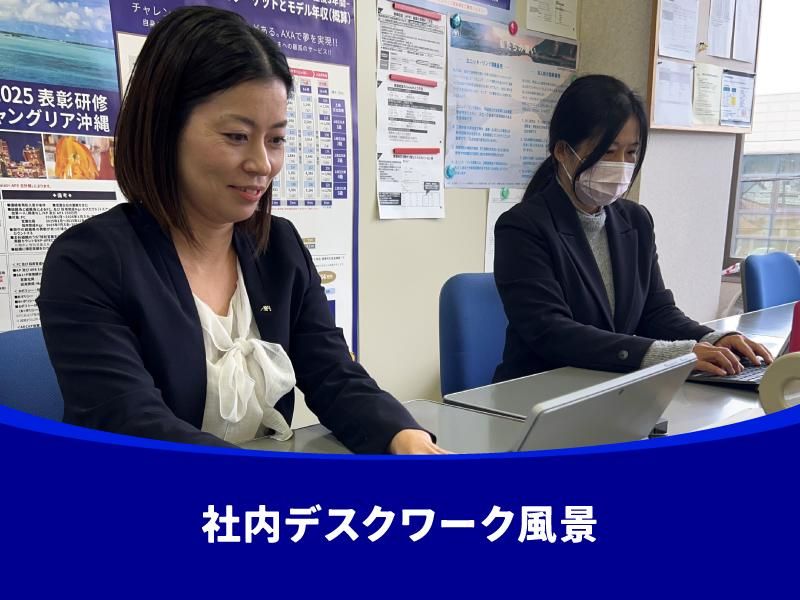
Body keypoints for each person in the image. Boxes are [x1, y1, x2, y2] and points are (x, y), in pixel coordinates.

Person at [37, 6, 445, 454]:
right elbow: (134, 423)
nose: (262, 164)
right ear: (164, 130)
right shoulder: (89, 261)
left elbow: (334, 373)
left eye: (276, 139)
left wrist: (404, 437)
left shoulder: (280, 247)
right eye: (236, 136)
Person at [493, 74, 772, 383]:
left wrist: (713, 339)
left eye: (631, 152)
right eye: (607, 151)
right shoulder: (522, 227)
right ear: (562, 151)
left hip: (612, 387)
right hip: (539, 391)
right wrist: (674, 355)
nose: (621, 164)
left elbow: (656, 312)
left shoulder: (636, 220)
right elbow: (551, 331)